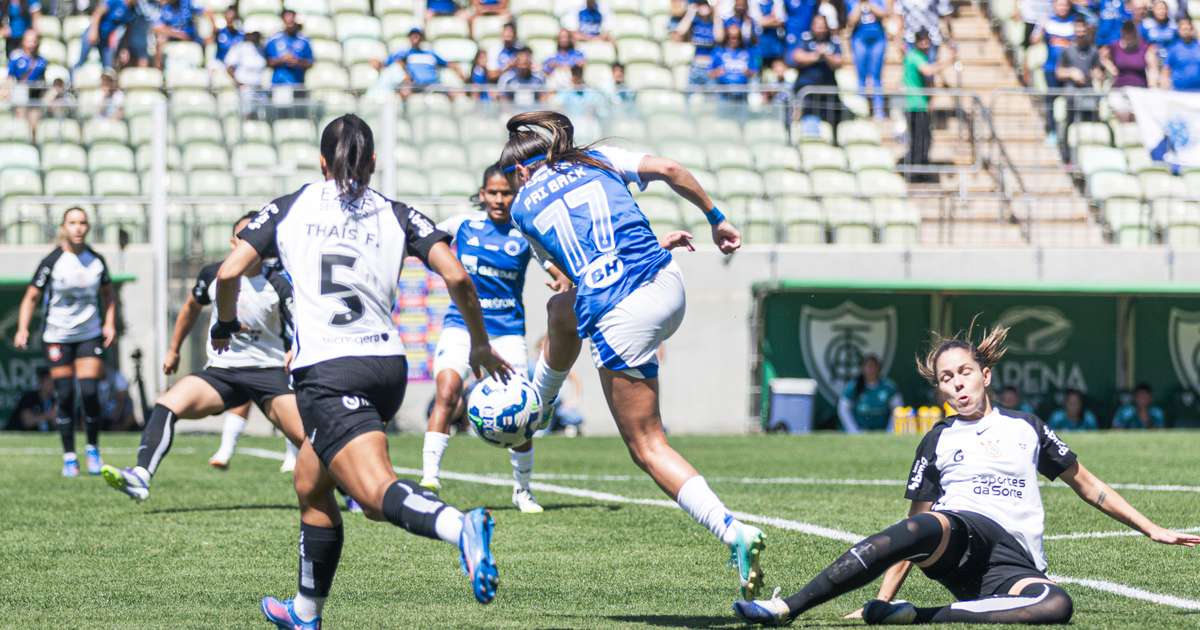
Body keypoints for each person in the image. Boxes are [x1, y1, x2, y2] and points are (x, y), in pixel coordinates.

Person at [213, 114, 507, 627]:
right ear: (374, 162)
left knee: (373, 494)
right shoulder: (399, 213)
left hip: (330, 371)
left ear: (321, 162)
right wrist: (479, 344)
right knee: (310, 481)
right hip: (386, 364)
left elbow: (228, 271)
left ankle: (460, 526)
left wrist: (224, 323)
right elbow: (457, 275)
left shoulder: (291, 206)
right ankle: (305, 611)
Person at [733, 325, 1200, 626]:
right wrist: (879, 593)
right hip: (958, 538)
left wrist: (1151, 528)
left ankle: (916, 617)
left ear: (986, 375)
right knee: (925, 524)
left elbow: (1088, 484)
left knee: (1057, 605)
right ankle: (786, 607)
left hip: (1013, 566)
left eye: (965, 372)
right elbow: (909, 532)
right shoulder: (937, 439)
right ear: (940, 387)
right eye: (946, 378)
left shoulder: (1027, 427)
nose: (957, 383)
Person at [498, 111, 767, 600]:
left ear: (520, 172)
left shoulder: (520, 209)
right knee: (562, 310)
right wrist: (715, 217)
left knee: (647, 445)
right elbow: (670, 169)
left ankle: (732, 531)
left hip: (623, 315)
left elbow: (566, 275)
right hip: (668, 282)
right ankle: (541, 400)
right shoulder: (597, 159)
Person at [100, 214, 306, 502]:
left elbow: (302, 323)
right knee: (168, 403)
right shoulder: (214, 274)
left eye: (255, 239)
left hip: (268, 371)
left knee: (307, 437)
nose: (249, 243)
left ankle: (350, 492)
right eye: (242, 237)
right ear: (233, 242)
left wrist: (295, 349)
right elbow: (190, 309)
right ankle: (141, 476)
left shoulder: (278, 282)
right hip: (222, 371)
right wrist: (173, 349)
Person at [420, 164, 571, 512]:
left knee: (522, 409)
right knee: (447, 391)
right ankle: (429, 479)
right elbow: (420, 239)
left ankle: (523, 490)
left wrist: (562, 280)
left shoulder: (525, 233)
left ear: (515, 195)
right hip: (460, 326)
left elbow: (556, 267)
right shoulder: (463, 225)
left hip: (506, 334)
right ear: (482, 193)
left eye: (506, 193)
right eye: (493, 192)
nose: (499, 199)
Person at [13, 208, 116, 478]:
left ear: (88, 227)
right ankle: (70, 456)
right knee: (66, 395)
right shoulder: (52, 261)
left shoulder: (96, 260)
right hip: (58, 336)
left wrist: (109, 323)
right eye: (73, 223)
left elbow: (109, 294)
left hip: (89, 334)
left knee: (90, 392)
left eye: (83, 223)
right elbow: (31, 296)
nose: (78, 228)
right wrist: (23, 328)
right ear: (63, 227)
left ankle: (93, 448)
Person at [902, 29, 955, 182]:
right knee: (920, 141)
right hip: (915, 105)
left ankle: (920, 170)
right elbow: (927, 71)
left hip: (920, 105)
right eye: (922, 41)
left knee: (925, 139)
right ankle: (915, 173)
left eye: (927, 41)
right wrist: (948, 61)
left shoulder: (919, 56)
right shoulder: (915, 56)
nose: (925, 45)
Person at [1055, 18, 1103, 159]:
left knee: (1089, 126)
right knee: (1070, 126)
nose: (1081, 33)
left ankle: (1088, 156)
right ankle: (1067, 156)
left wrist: (1097, 74)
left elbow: (1096, 70)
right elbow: (1059, 72)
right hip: (1072, 95)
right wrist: (1071, 72)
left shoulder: (1093, 51)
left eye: (1083, 30)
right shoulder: (1067, 50)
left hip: (1088, 94)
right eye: (1078, 30)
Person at [1033, 0, 1077, 146]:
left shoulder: (1075, 22)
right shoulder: (1049, 22)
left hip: (1069, 70)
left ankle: (1068, 132)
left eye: (1065, 4)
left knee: (1070, 101)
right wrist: (1040, 27)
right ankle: (1051, 131)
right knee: (1050, 100)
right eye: (1059, 4)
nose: (1062, 7)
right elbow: (1034, 40)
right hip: (1051, 68)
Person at [372, 27, 465, 96]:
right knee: (404, 91)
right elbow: (385, 63)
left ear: (422, 37)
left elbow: (447, 63)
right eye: (412, 34)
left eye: (418, 34)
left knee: (456, 93)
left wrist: (459, 70)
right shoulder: (404, 53)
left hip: (434, 84)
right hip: (415, 86)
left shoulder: (430, 53)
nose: (415, 36)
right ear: (409, 37)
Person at [791, 16, 846, 130]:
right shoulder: (805, 38)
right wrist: (816, 56)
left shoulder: (833, 40)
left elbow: (839, 62)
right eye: (818, 25)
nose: (820, 29)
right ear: (812, 26)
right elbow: (797, 56)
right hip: (807, 89)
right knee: (810, 123)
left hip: (828, 90)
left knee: (834, 121)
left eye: (823, 26)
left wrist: (826, 55)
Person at [1101, 20, 1159, 121]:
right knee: (1121, 113)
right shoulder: (1114, 47)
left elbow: (1152, 67)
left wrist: (1152, 86)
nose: (1128, 36)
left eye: (1131, 32)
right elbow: (1103, 56)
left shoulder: (1144, 47)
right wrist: (1112, 69)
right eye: (1126, 32)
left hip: (1140, 90)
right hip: (1119, 89)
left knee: (1140, 115)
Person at [846, 0, 890, 118]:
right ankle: (861, 111)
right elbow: (851, 20)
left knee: (876, 76)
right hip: (859, 38)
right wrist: (860, 4)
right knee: (861, 76)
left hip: (878, 38)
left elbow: (884, 14)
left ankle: (878, 110)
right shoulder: (851, 2)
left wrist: (869, 4)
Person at [837, 354, 901, 432]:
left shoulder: (889, 387)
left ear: (879, 368)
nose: (871, 370)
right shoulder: (853, 387)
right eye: (868, 366)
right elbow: (843, 409)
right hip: (861, 431)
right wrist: (854, 431)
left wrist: (890, 429)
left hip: (882, 432)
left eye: (873, 366)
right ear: (862, 368)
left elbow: (898, 409)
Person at [74, 0, 136, 70]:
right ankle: (71, 77)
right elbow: (98, 13)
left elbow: (127, 30)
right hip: (94, 32)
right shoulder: (115, 1)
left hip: (106, 39)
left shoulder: (132, 10)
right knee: (81, 61)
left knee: (108, 68)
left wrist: (124, 48)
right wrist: (93, 31)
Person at [264, 10, 313, 97]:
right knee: (280, 109)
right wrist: (282, 60)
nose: (289, 21)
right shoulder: (273, 40)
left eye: (292, 19)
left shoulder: (304, 41)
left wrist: (297, 62)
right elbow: (268, 62)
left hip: (298, 85)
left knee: (297, 110)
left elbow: (310, 63)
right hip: (279, 84)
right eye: (287, 19)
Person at [6, 31, 47, 132]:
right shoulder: (16, 57)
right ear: (23, 42)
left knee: (34, 123)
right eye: (29, 41)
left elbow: (42, 80)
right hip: (20, 93)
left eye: (34, 41)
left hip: (35, 95)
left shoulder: (42, 61)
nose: (31, 44)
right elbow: (10, 77)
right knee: (22, 122)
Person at [709, 22, 758, 104]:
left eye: (736, 37)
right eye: (730, 37)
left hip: (742, 93)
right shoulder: (718, 52)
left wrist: (748, 72)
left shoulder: (748, 52)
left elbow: (754, 72)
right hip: (723, 93)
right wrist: (718, 72)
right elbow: (709, 73)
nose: (733, 40)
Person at [224, 30, 267, 117]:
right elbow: (229, 67)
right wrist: (238, 83)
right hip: (245, 87)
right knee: (246, 113)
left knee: (261, 114)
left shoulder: (261, 49)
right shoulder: (239, 47)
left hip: (259, 88)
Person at [677, 0, 719, 86]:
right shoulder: (694, 22)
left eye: (705, 4)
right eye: (700, 4)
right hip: (695, 66)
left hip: (710, 66)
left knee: (710, 97)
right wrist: (690, 13)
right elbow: (680, 31)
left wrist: (716, 12)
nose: (703, 7)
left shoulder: (715, 23)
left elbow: (719, 37)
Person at [153, 0, 204, 69]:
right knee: (160, 39)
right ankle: (159, 69)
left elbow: (205, 12)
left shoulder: (188, 3)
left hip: (191, 37)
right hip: (172, 38)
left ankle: (203, 66)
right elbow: (157, 28)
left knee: (205, 40)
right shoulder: (165, 7)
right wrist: (177, 34)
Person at [5, 366, 55, 432]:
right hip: (15, 435)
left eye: (54, 382)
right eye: (49, 382)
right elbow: (27, 422)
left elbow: (57, 423)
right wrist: (48, 415)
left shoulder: (54, 400)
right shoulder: (29, 397)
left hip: (41, 437)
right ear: (41, 382)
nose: (52, 385)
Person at [1162, 17, 1200, 91]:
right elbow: (1166, 70)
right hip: (1179, 92)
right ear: (1179, 31)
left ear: (1192, 30)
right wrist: (1165, 88)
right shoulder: (1173, 48)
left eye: (1188, 29)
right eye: (1183, 29)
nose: (1186, 32)